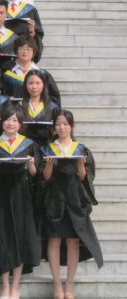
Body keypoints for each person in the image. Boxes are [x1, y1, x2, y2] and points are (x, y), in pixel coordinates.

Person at [40, 110, 104, 299]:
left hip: (74, 199)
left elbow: (85, 178)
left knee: (73, 241)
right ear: (54, 128)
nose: (62, 127)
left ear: (72, 126)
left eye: (65, 124)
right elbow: (44, 178)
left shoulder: (81, 149)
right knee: (54, 239)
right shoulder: (47, 149)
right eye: (58, 124)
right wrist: (49, 164)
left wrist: (80, 165)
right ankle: (57, 284)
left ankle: (69, 285)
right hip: (54, 199)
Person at [0, 106, 41, 299]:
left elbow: (35, 175)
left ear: (20, 124)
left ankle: (15, 286)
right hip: (1, 194)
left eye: (15, 120)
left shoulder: (28, 144)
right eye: (7, 119)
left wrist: (31, 164)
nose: (10, 123)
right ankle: (5, 285)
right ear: (1, 122)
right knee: (2, 236)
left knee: (20, 236)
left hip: (21, 194)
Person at [1, 36, 61, 105]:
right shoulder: (7, 76)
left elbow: (54, 97)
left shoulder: (43, 74)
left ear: (34, 52)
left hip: (38, 110)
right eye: (21, 48)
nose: (25, 51)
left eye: (28, 49)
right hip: (15, 111)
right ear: (16, 51)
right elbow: (2, 97)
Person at [19, 70, 60, 146]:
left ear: (43, 84)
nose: (34, 87)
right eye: (30, 83)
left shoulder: (53, 107)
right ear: (25, 85)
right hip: (23, 147)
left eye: (38, 83)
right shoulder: (18, 106)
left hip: (46, 147)